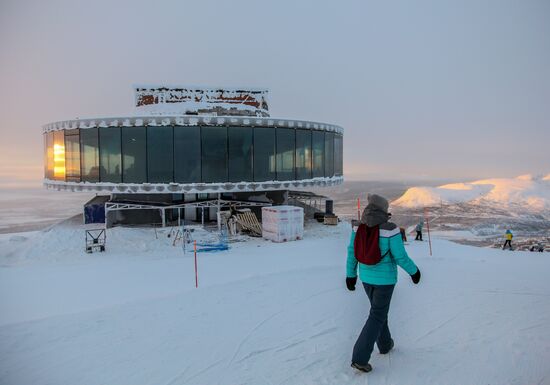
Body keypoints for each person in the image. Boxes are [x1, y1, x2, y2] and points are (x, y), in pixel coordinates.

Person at [346, 194, 421, 373]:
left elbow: (351, 252)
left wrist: (350, 275)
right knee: (377, 314)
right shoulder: (391, 229)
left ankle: (385, 344)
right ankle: (360, 357)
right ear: (383, 210)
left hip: (365, 277)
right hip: (385, 281)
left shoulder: (358, 227)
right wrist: (414, 272)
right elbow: (400, 256)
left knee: (378, 311)